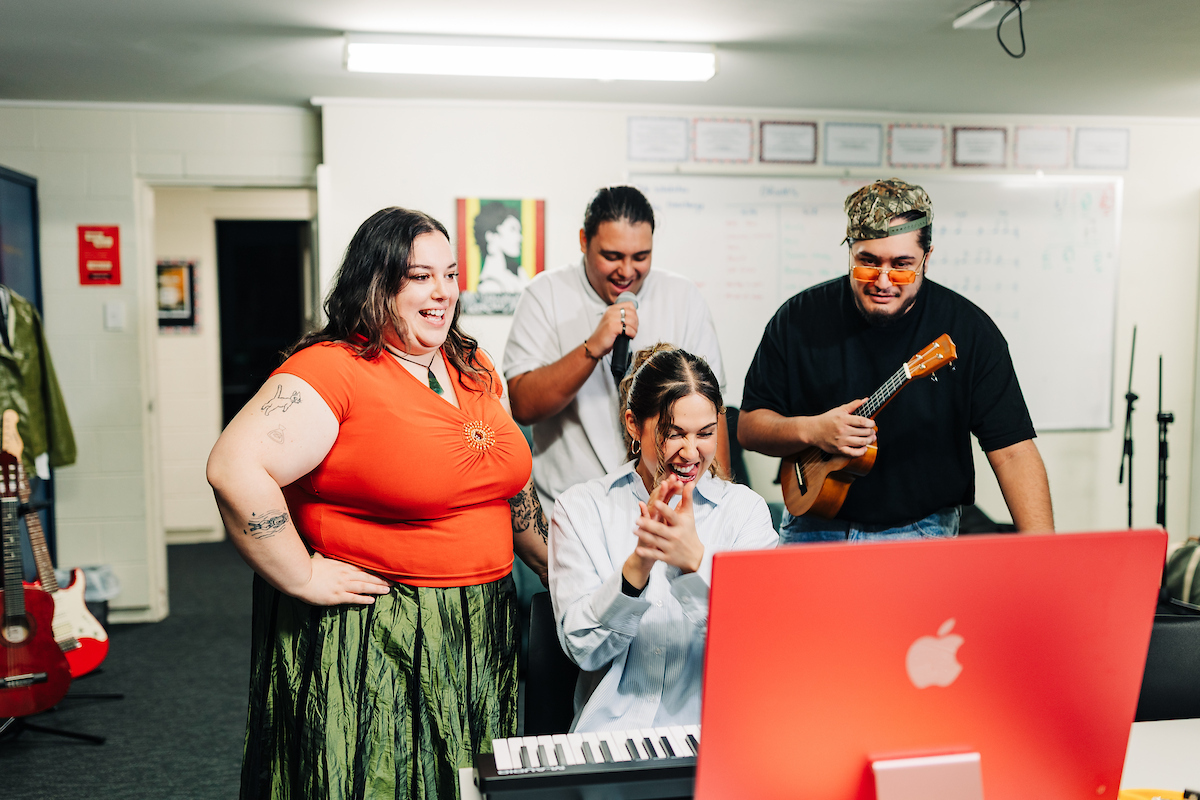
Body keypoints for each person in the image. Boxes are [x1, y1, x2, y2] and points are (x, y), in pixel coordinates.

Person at [206, 207, 549, 800]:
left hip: (479, 622)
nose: (442, 292)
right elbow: (234, 468)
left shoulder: (471, 363)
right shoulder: (333, 369)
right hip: (382, 630)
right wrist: (301, 574)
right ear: (376, 283)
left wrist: (554, 565)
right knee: (382, 782)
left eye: (449, 274)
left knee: (465, 782)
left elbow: (507, 481)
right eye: (420, 277)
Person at [737, 178, 1054, 542]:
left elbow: (1013, 452)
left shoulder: (969, 331)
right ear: (850, 251)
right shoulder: (798, 318)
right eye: (868, 262)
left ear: (927, 258)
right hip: (811, 522)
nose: (883, 282)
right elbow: (749, 427)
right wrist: (813, 431)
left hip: (921, 528)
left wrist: (1045, 557)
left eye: (902, 265)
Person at [549, 344, 776, 732]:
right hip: (610, 738)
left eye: (705, 433)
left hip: (710, 733)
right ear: (633, 425)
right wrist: (638, 566)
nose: (691, 452)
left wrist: (694, 564)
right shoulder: (582, 508)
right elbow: (583, 649)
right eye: (674, 434)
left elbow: (758, 652)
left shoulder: (744, 512)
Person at [504, 185, 729, 516]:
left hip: (668, 508)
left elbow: (713, 412)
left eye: (640, 257)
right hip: (573, 511)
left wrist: (719, 507)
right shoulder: (544, 294)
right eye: (611, 256)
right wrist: (592, 348)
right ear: (584, 241)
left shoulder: (683, 297)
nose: (626, 271)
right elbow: (523, 405)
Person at [474, 200, 529, 294]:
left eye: (519, 231)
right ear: (491, 236)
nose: (520, 238)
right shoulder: (489, 285)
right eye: (512, 229)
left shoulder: (519, 274)